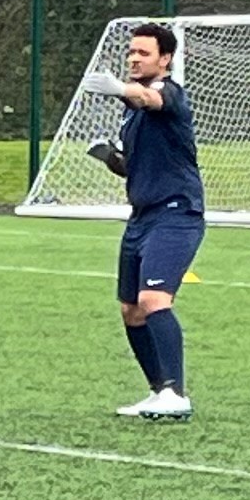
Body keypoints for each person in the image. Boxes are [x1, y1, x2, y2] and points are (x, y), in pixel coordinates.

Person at [76, 21, 201, 421]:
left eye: (143, 53)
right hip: (141, 218)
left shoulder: (169, 93)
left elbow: (150, 97)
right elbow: (135, 167)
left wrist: (120, 89)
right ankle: (158, 390)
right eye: (131, 52)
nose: (133, 58)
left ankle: (177, 393)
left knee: (153, 301)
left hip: (176, 214)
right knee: (131, 310)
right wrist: (112, 159)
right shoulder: (131, 118)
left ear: (165, 59)